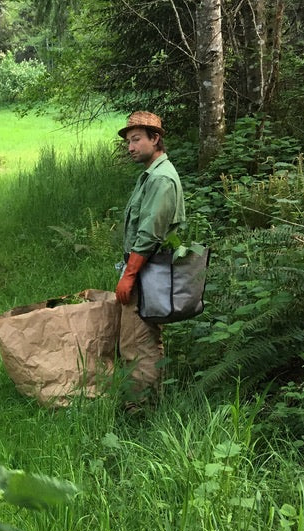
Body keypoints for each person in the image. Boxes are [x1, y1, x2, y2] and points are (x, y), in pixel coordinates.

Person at [114, 110, 185, 399]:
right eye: (128, 141)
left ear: (155, 139)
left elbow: (149, 235)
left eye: (136, 140)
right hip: (145, 271)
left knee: (136, 343)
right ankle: (148, 401)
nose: (130, 147)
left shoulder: (161, 180)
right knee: (145, 340)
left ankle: (140, 411)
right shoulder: (150, 176)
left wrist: (129, 276)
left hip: (146, 272)